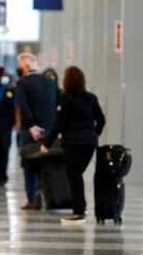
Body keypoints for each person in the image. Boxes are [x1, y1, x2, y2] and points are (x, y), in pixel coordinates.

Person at [41, 66, 106, 224]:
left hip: (73, 144)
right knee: (77, 174)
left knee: (74, 176)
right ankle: (80, 208)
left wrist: (47, 144)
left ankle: (79, 212)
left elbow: (59, 124)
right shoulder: (91, 98)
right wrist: (93, 135)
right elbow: (101, 120)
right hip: (89, 144)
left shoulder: (66, 98)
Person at [15, 52, 58, 210]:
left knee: (28, 164)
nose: (19, 70)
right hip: (48, 130)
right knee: (44, 164)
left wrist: (32, 126)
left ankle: (32, 198)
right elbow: (57, 105)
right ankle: (42, 193)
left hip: (29, 131)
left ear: (26, 67)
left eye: (20, 67)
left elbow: (23, 106)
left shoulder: (22, 83)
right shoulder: (50, 82)